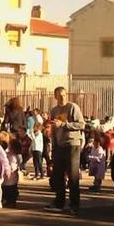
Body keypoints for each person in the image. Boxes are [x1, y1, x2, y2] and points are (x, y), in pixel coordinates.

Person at [45, 87, 86, 215]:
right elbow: (53, 127)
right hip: (59, 145)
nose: (62, 97)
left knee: (73, 175)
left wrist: (64, 124)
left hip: (72, 144)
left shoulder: (73, 107)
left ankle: (74, 204)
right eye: (59, 95)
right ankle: (59, 201)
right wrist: (53, 142)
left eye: (64, 95)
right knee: (58, 175)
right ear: (55, 96)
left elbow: (81, 124)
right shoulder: (54, 110)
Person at [2, 138, 22, 207]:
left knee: (10, 189)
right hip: (10, 177)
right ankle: (8, 200)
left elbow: (13, 165)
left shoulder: (13, 156)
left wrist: (9, 170)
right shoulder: (9, 154)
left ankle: (11, 201)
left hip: (11, 176)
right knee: (8, 188)